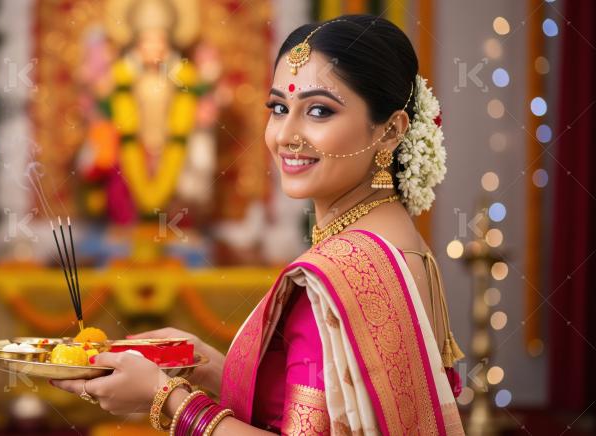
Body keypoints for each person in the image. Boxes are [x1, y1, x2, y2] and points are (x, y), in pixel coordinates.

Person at [51, 14, 465, 435]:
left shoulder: (345, 271)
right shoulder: (395, 238)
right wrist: (203, 363)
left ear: (391, 131)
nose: (286, 135)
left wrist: (165, 399)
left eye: (319, 111)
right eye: (279, 108)